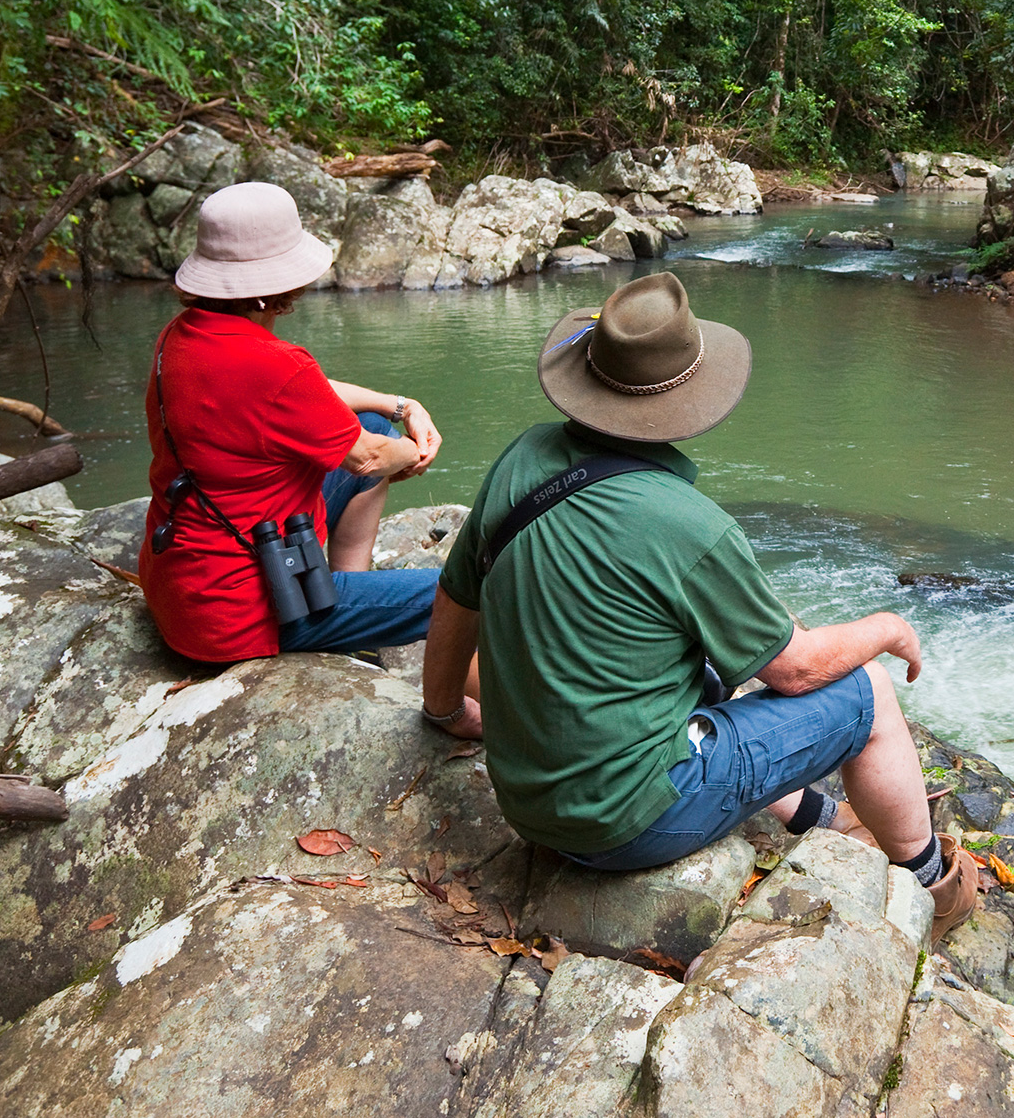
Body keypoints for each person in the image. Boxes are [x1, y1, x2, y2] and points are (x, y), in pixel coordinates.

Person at [418, 271, 978, 935]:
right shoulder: (690, 523)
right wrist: (885, 625)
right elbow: (796, 670)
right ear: (685, 398)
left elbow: (458, 596)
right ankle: (929, 887)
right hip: (627, 824)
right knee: (870, 692)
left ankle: (818, 817)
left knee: (717, 663)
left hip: (529, 802)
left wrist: (445, 708)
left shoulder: (522, 458)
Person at [137, 179, 453, 667]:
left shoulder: (177, 338)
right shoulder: (275, 365)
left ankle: (348, 610)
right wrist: (418, 452)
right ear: (276, 290)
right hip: (243, 612)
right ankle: (454, 710)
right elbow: (367, 458)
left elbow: (314, 394)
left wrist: (402, 407)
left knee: (376, 424)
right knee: (469, 590)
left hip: (179, 586)